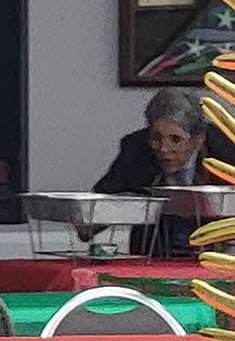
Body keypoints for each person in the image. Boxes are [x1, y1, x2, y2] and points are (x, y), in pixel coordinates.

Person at [92, 85, 226, 254]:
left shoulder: (224, 150)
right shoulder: (136, 149)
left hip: (212, 250)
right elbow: (97, 209)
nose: (164, 148)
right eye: (156, 138)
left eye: (175, 139)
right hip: (153, 251)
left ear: (198, 139)